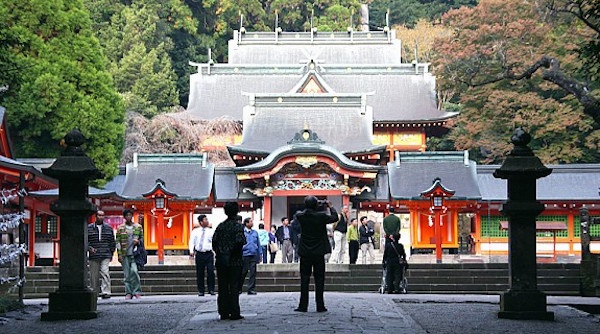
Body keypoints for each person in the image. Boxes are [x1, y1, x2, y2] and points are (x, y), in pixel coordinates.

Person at [293, 196, 338, 313]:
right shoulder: (321, 216)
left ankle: (303, 305)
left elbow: (298, 215)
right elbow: (335, 217)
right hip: (318, 251)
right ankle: (320, 305)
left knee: (304, 279)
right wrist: (330, 206)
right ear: (316, 205)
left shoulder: (301, 216)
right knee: (319, 279)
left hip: (305, 251)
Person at [212, 202, 246, 321]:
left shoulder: (220, 226)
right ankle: (234, 311)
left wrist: (222, 253)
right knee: (234, 286)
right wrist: (232, 252)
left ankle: (223, 311)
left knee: (223, 286)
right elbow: (240, 242)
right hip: (235, 261)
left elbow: (214, 243)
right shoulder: (238, 227)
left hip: (221, 260)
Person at [87, 210, 116, 299]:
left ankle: (106, 291)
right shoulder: (89, 228)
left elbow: (112, 241)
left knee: (105, 272)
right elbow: (86, 241)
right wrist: (89, 248)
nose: (101, 217)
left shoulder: (108, 228)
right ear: (96, 216)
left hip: (105, 253)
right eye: (99, 215)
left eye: (102, 215)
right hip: (94, 254)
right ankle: (94, 291)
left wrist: (111, 252)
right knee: (93, 275)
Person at [116, 209, 143, 299]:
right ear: (124, 217)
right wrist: (119, 254)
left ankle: (137, 291)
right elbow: (118, 242)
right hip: (125, 253)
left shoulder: (138, 227)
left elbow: (142, 240)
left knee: (134, 271)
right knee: (126, 274)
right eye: (127, 215)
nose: (129, 217)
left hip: (135, 253)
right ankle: (128, 292)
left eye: (130, 215)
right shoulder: (120, 228)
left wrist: (138, 241)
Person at [189, 214, 215, 296]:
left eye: (207, 219)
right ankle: (201, 290)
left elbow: (215, 242)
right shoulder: (195, 231)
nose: (207, 221)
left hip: (209, 253)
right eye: (205, 220)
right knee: (200, 272)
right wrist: (191, 251)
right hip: (199, 253)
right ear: (201, 222)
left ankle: (211, 289)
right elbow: (191, 241)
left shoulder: (211, 231)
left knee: (210, 271)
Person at [240, 217, 261, 295]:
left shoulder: (255, 232)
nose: (252, 223)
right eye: (250, 222)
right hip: (245, 254)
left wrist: (260, 254)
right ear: (246, 223)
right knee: (243, 272)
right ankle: (239, 287)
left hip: (253, 254)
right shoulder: (242, 232)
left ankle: (251, 288)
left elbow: (258, 244)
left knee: (253, 272)